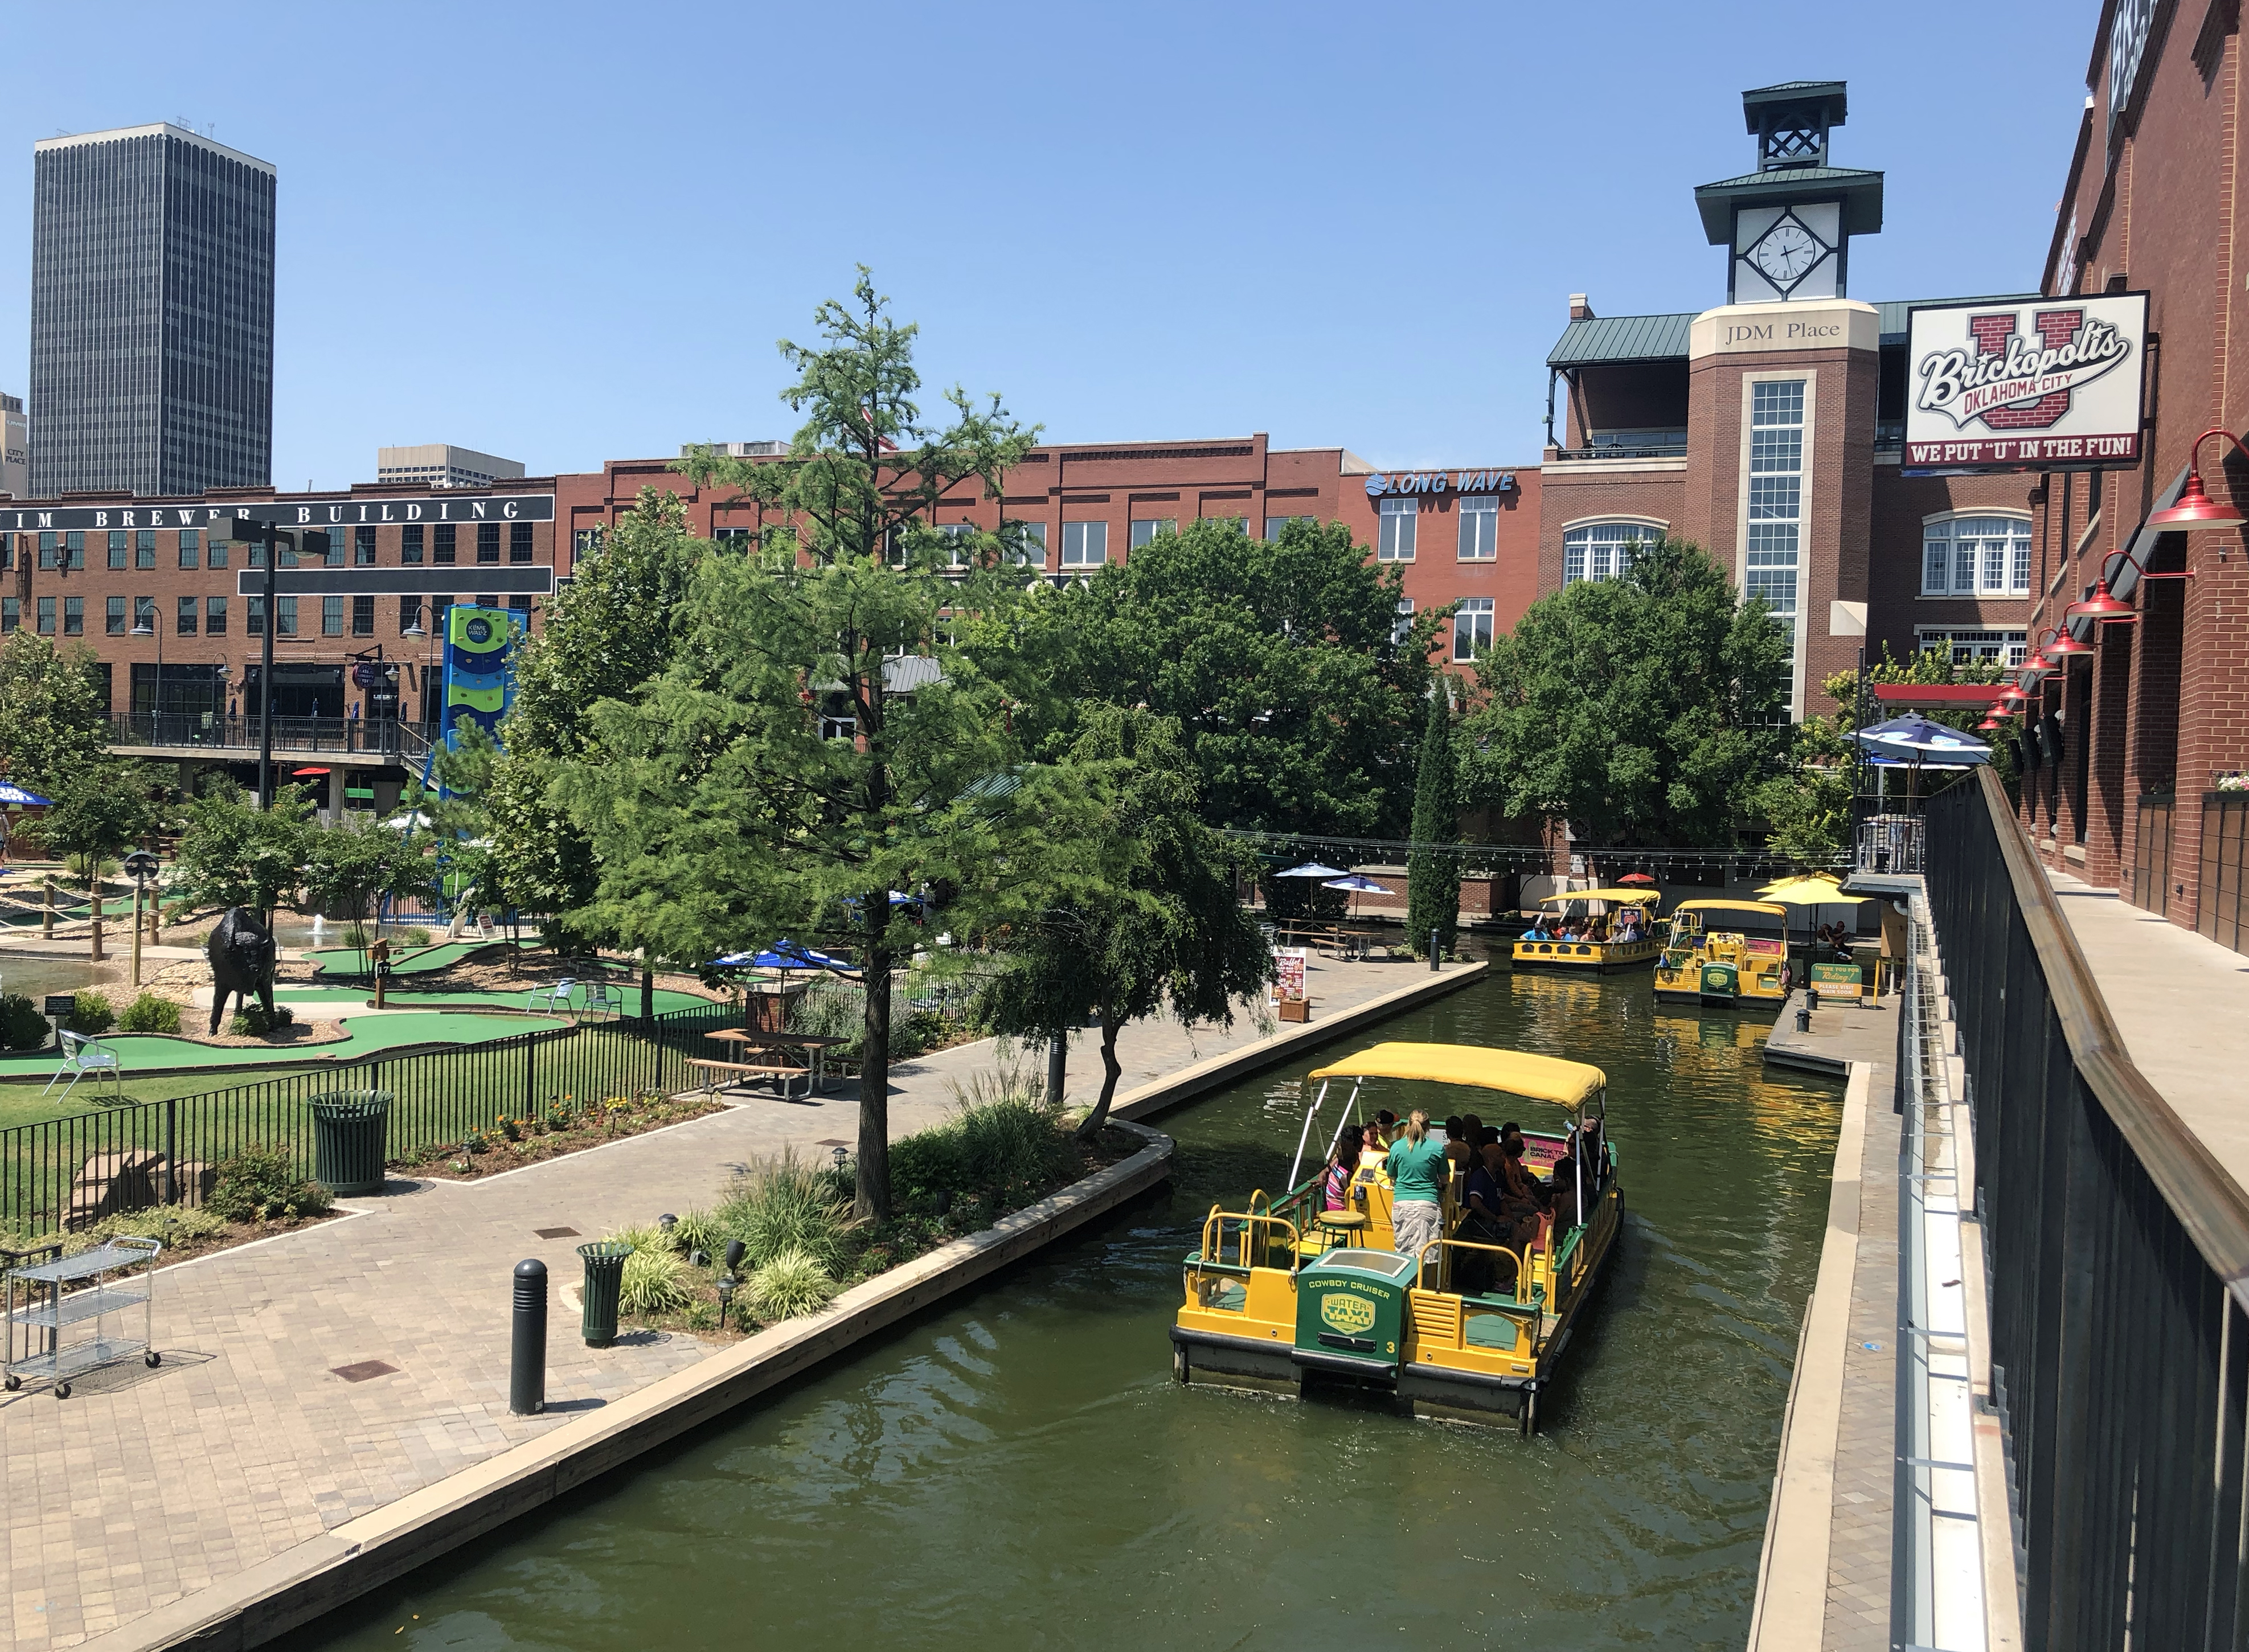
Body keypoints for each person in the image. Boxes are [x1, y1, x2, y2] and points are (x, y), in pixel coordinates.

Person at [1383, 1109, 1449, 1264]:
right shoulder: (1437, 1149)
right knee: (1427, 1255)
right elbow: (1445, 1179)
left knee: (1403, 1253)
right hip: (1428, 1204)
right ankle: (1424, 1286)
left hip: (1402, 1204)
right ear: (1428, 1127)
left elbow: (1391, 1175)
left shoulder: (1397, 1148)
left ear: (1408, 1125)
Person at [1323, 1130, 1361, 1213]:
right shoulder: (1345, 1176)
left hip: (1331, 1207)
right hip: (1339, 1211)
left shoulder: (1337, 1166)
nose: (1337, 1151)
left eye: (1339, 1149)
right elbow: (1352, 1198)